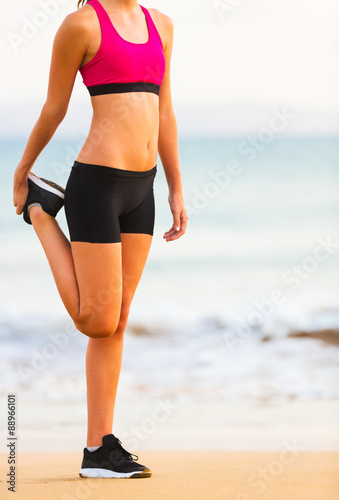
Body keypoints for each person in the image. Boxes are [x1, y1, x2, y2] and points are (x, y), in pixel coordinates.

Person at [13, 0, 188, 479]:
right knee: (96, 320)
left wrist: (174, 185)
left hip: (143, 188)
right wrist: (24, 170)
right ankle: (41, 212)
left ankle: (100, 449)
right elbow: (55, 105)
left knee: (119, 317)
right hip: (98, 184)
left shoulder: (163, 26)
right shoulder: (83, 24)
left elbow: (165, 109)